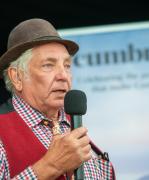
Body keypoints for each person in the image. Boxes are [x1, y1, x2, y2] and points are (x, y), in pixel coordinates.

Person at [0, 18, 115, 179]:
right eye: (48, 65)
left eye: (67, 66)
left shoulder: (77, 127)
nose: (63, 76)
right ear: (17, 77)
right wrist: (51, 166)